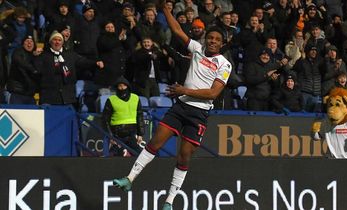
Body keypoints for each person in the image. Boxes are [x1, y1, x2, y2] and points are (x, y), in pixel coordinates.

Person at [113, 2, 232, 210]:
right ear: (206, 39)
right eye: (210, 38)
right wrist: (165, 10)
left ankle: (169, 202)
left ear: (222, 44)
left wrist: (184, 90)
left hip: (199, 114)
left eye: (217, 40)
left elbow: (213, 93)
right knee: (156, 141)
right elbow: (177, 30)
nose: (212, 41)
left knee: (184, 155)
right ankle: (129, 178)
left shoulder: (224, 64)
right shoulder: (197, 48)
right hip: (181, 107)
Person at [34, 31, 104, 105]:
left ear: (62, 42)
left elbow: (83, 62)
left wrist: (95, 63)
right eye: (54, 40)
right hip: (49, 98)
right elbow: (36, 69)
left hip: (68, 97)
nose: (57, 42)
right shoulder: (44, 56)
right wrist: (35, 56)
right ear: (50, 42)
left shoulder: (70, 55)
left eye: (59, 40)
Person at [102, 77, 145, 156]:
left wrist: (140, 133)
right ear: (117, 87)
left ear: (128, 86)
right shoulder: (111, 100)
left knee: (139, 155)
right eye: (120, 86)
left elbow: (140, 116)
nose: (122, 88)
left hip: (132, 134)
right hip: (117, 134)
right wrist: (110, 136)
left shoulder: (135, 98)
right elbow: (105, 119)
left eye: (124, 86)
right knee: (119, 156)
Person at [7, 35, 41, 104]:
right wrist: (34, 70)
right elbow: (21, 63)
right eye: (27, 41)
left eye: (31, 42)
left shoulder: (36, 57)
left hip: (31, 95)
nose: (29, 43)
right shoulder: (17, 52)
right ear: (23, 44)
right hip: (17, 93)